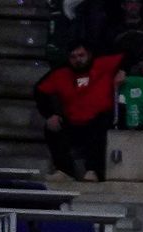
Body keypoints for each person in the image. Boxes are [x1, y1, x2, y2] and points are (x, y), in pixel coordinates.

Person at [33, 42, 125, 182]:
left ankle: (93, 171)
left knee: (99, 126)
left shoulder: (104, 64)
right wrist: (50, 114)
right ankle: (65, 171)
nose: (78, 60)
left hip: (99, 120)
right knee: (52, 128)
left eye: (81, 55)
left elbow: (128, 57)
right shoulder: (60, 73)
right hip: (73, 122)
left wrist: (123, 71)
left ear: (89, 55)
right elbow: (39, 91)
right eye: (73, 57)